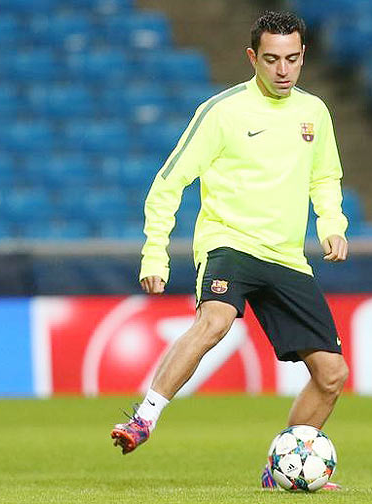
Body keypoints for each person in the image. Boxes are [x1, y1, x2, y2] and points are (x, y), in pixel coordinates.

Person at [111, 10, 349, 490]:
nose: (283, 70)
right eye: (271, 59)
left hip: (285, 256)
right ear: (251, 58)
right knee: (216, 319)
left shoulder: (314, 113)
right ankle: (145, 417)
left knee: (332, 374)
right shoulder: (221, 112)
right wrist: (154, 253)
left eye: (293, 59)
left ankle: (281, 467)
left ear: (304, 56)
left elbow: (325, 178)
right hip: (230, 242)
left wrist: (331, 224)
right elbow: (168, 183)